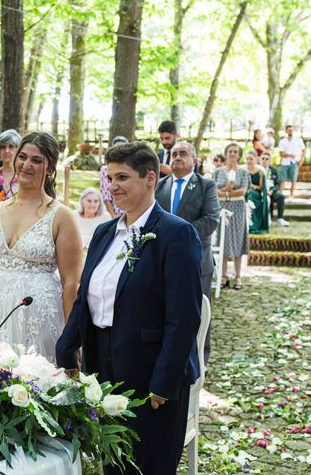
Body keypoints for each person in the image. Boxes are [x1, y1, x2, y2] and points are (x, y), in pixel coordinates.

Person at [56, 142, 202, 475]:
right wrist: (66, 348)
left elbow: (183, 318)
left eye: (122, 177)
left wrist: (163, 382)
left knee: (148, 463)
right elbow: (85, 298)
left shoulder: (176, 234)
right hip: (103, 364)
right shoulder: (105, 231)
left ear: (150, 178)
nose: (112, 186)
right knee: (113, 462)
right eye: (109, 178)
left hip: (150, 371)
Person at [0, 132, 82, 361]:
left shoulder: (61, 216)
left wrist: (71, 339)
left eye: (36, 160)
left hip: (38, 315)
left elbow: (71, 283)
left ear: (49, 168)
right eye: (23, 157)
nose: (27, 165)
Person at [155, 141, 220, 363]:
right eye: (174, 154)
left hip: (196, 260)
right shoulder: (160, 186)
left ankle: (200, 359)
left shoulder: (206, 186)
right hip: (161, 261)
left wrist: (178, 235)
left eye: (183, 153)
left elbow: (211, 220)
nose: (177, 157)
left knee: (197, 312)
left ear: (195, 160)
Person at [213, 143, 251, 290]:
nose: (233, 154)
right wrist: (226, 189)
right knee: (222, 239)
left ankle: (238, 276)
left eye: (236, 152)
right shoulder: (217, 172)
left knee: (237, 239)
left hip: (238, 208)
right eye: (230, 151)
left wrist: (226, 193)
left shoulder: (243, 172)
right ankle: (223, 275)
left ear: (239, 155)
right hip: (221, 207)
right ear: (226, 153)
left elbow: (243, 191)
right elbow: (213, 191)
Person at [99, 135, 128, 218]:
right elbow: (105, 196)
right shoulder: (105, 169)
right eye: (116, 149)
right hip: (114, 213)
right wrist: (113, 215)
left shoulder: (132, 169)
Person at [260, 152, 289, 227]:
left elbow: (277, 183)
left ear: (270, 161)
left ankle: (280, 218)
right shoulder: (257, 169)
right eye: (263, 158)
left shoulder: (273, 170)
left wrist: (272, 190)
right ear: (260, 160)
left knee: (280, 197)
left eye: (267, 159)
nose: (264, 160)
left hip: (271, 191)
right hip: (260, 191)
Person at [245, 150, 269, 234]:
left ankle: (253, 225)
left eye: (251, 159)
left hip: (256, 193)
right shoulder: (243, 170)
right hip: (244, 192)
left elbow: (261, 187)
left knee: (251, 195)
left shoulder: (260, 171)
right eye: (247, 159)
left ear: (256, 159)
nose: (249, 161)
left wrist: (252, 186)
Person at [278, 125, 306, 197]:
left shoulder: (298, 140)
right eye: (289, 130)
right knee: (283, 180)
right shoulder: (282, 141)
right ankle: (280, 195)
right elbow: (281, 154)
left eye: (292, 130)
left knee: (293, 180)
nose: (290, 131)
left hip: (294, 162)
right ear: (286, 131)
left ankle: (291, 195)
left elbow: (304, 150)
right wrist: (289, 155)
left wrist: (302, 159)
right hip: (284, 163)